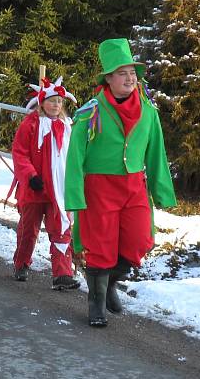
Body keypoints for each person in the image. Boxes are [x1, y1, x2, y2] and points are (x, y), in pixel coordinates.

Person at [65, 38, 176, 327]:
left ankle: (109, 282)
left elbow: (156, 153)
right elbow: (75, 157)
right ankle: (96, 303)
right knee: (100, 247)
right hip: (99, 188)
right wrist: (74, 195)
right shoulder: (90, 112)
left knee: (140, 240)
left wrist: (162, 191)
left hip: (134, 187)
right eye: (122, 73)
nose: (130, 78)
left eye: (132, 73)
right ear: (109, 79)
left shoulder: (149, 112)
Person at [11, 76, 80, 290]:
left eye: (59, 102)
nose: (56, 105)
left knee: (61, 228)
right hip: (35, 187)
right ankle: (21, 263)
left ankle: (62, 274)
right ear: (42, 103)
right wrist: (31, 176)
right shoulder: (30, 124)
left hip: (58, 190)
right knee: (28, 230)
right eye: (52, 101)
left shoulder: (68, 126)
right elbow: (20, 153)